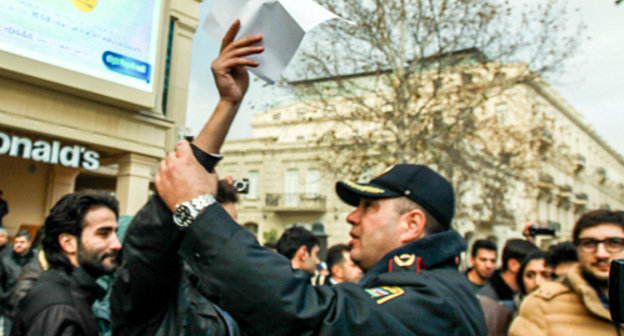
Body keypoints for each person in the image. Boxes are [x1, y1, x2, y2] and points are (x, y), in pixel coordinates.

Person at [110, 20, 262, 336]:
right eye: (217, 226)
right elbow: (157, 230)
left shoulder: (238, 296)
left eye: (231, 228)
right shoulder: (152, 298)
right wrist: (227, 104)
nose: (227, 238)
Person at [10, 191, 122, 336]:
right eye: (103, 233)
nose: (117, 244)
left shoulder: (64, 294)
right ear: (68, 243)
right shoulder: (60, 309)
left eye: (115, 233)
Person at [509, 209, 624, 335]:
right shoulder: (543, 305)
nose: (601, 254)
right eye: (589, 244)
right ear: (577, 248)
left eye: (614, 243)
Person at [479, 238, 538, 312]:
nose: (538, 280)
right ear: (513, 265)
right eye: (531, 273)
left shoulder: (519, 293)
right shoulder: (489, 300)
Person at [0, 230, 36, 333]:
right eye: (16, 242)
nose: (18, 245)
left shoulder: (36, 260)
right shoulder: (5, 259)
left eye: (22, 242)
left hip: (30, 309)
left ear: (29, 243)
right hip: (9, 310)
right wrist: (4, 297)